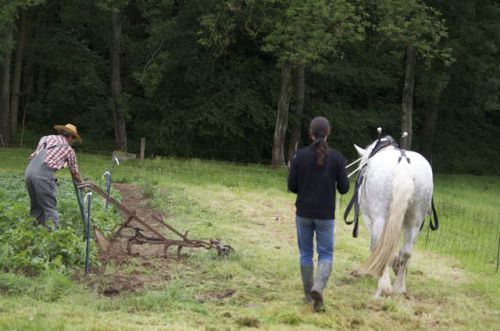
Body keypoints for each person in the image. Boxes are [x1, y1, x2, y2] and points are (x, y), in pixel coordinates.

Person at [287, 116, 349, 312]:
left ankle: (308, 296)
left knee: (305, 254)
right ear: (328, 133)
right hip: (325, 216)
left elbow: (292, 186)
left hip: (303, 213)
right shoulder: (337, 158)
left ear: (310, 134)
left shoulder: (298, 156)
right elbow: (344, 189)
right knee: (326, 253)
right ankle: (319, 287)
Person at [25, 123, 84, 230]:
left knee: (36, 207)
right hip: (42, 176)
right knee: (50, 208)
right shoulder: (69, 150)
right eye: (73, 138)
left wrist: (60, 164)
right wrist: (83, 185)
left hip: (29, 172)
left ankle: (34, 232)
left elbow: (43, 157)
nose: (72, 141)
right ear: (70, 136)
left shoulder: (45, 138)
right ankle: (53, 236)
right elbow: (75, 173)